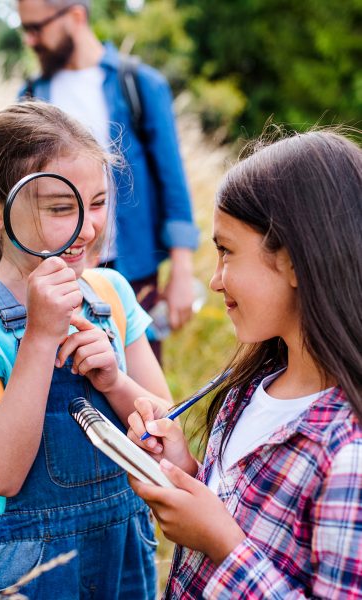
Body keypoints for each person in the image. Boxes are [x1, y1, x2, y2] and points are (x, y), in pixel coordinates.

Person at [0, 101, 172, 599]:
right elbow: (1, 473)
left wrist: (114, 381)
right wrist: (40, 338)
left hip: (124, 550)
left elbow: (167, 441)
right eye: (62, 208)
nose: (87, 228)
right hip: (28, 566)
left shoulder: (111, 293)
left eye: (100, 202)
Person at [127, 130, 362, 598]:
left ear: (295, 261)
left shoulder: (349, 454)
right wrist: (185, 472)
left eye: (227, 251)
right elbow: (241, 508)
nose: (214, 280)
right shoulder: (249, 389)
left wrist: (222, 545)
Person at [17, 0, 199, 361]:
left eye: (36, 28)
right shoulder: (31, 97)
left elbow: (172, 179)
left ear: (75, 16)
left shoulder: (140, 84)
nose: (30, 40)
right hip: (61, 267)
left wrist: (182, 269)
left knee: (139, 380)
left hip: (135, 270)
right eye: (25, 29)